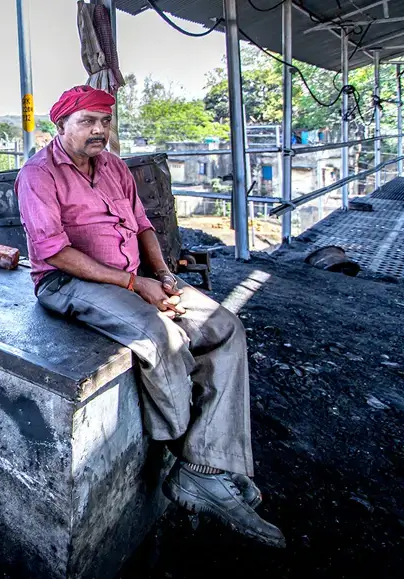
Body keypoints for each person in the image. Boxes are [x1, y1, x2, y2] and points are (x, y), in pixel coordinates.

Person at [15, 85, 285, 548]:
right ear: (61, 127)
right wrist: (134, 284)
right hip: (68, 283)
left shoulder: (116, 166)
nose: (100, 129)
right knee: (163, 338)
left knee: (224, 327)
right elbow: (51, 252)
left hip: (133, 276)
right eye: (88, 122)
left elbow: (142, 225)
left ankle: (204, 467)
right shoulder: (38, 174)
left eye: (105, 120)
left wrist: (163, 276)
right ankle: (191, 458)